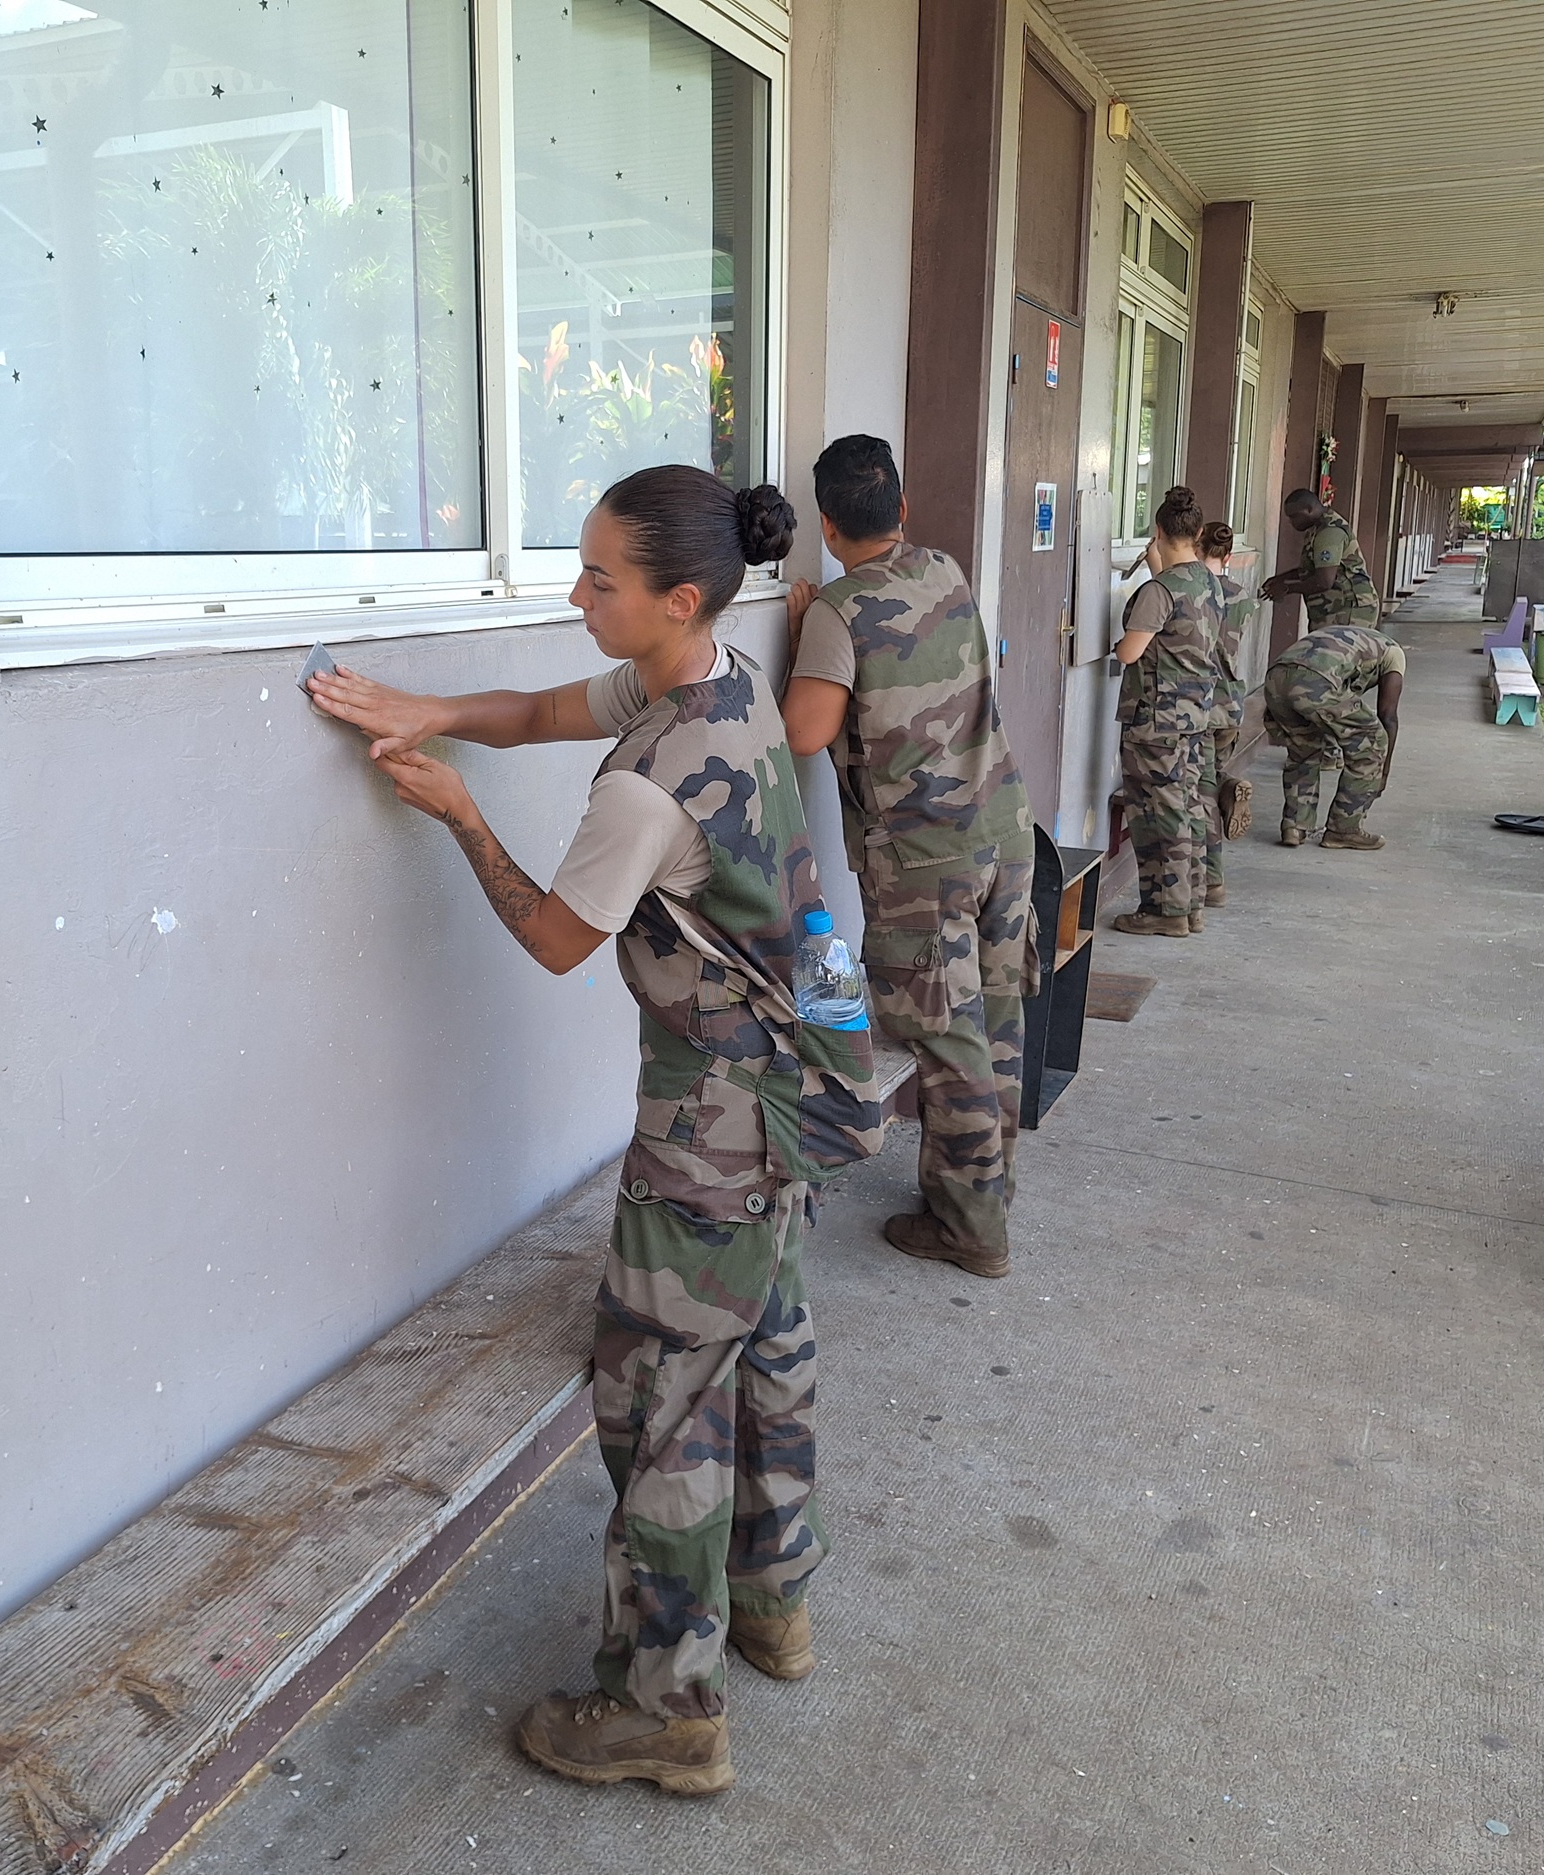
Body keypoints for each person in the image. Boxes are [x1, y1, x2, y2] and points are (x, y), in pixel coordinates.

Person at [307, 466, 879, 1797]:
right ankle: (774, 1602)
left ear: (675, 595)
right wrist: (438, 709)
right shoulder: (716, 673)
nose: (574, 595)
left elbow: (559, 938)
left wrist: (457, 814)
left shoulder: (653, 788)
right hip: (805, 1064)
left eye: (597, 580)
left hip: (720, 1114)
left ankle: (664, 1707)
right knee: (769, 1331)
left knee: (664, 1400)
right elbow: (545, 708)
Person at [776, 433, 1035, 1281]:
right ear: (903, 510)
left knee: (946, 1037)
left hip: (927, 860)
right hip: (1004, 830)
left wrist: (807, 634)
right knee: (995, 1015)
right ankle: (991, 1181)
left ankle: (971, 1228)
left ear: (826, 522)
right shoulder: (948, 569)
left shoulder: (837, 612)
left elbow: (804, 735)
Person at [1111, 486, 1221, 938]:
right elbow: (1175, 596)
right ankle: (1190, 904)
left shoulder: (1158, 592)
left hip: (1156, 722)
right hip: (1193, 717)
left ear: (1157, 531)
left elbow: (1129, 654)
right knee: (1188, 808)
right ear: (1196, 534)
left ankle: (1165, 911)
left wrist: (1119, 640)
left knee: (1160, 816)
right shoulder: (1208, 580)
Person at [1262, 620, 1404, 850]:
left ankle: (1294, 826)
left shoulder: (1353, 638)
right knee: (1372, 741)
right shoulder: (1393, 653)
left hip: (1276, 679)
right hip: (1317, 681)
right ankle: (1343, 829)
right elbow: (1388, 716)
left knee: (1303, 751)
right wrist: (1383, 771)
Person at [1197, 520, 1254, 907]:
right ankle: (1227, 787)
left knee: (1199, 795)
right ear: (1229, 556)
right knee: (1211, 782)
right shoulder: (1241, 596)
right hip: (1231, 704)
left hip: (1199, 706)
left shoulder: (1194, 593)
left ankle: (1212, 880)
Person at [1260, 487, 1379, 631]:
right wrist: (1281, 578)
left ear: (1309, 509)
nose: (1291, 522)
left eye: (1294, 516)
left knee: (1332, 653)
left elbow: (1324, 581)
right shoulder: (1317, 528)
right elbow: (1311, 569)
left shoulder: (1329, 532)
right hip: (1335, 609)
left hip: (1348, 611)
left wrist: (1286, 588)